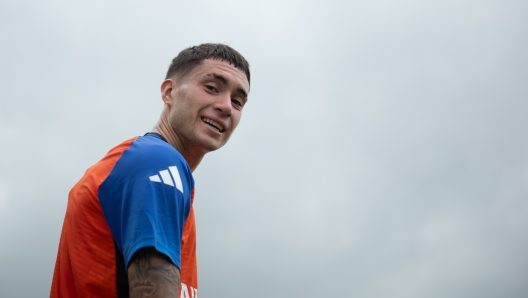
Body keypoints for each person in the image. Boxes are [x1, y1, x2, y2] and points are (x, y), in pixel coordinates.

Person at [50, 43, 251, 298]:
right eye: (211, 88)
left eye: (237, 101)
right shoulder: (159, 162)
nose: (226, 107)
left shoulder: (142, 162)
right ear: (169, 92)